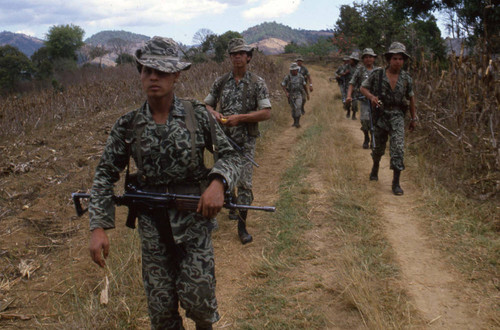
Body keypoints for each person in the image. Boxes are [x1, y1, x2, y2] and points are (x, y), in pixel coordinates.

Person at [88, 36, 242, 329]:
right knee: (161, 310)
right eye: (147, 70)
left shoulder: (197, 115)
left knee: (200, 301)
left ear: (176, 75)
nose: (153, 77)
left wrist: (218, 183)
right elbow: (105, 175)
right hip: (152, 229)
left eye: (161, 71)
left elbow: (232, 157)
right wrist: (98, 227)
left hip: (195, 222)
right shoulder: (128, 125)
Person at [204, 38, 272, 244]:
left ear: (248, 57)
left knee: (244, 184)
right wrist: (215, 114)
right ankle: (215, 216)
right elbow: (205, 105)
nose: (237, 57)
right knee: (220, 179)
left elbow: (266, 112)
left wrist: (239, 118)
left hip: (245, 142)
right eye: (233, 54)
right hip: (222, 141)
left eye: (241, 53)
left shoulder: (257, 83)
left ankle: (242, 226)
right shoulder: (221, 82)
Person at [360, 42, 417, 195]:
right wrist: (371, 97)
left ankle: (396, 182)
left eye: (400, 59)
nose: (398, 61)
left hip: (397, 116)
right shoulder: (378, 75)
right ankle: (375, 166)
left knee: (398, 148)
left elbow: (411, 98)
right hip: (381, 115)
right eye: (395, 58)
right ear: (389, 59)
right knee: (378, 148)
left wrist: (413, 118)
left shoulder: (406, 78)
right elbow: (363, 88)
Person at [346, 48, 380, 149]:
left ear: (374, 58)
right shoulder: (360, 70)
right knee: (365, 121)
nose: (368, 59)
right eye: (366, 57)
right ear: (363, 59)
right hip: (364, 100)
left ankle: (375, 140)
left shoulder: (378, 71)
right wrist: (349, 96)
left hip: (376, 101)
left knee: (376, 122)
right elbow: (352, 83)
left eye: (370, 57)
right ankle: (366, 137)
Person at [281, 62, 308, 128]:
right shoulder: (288, 77)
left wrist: (307, 94)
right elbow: (283, 85)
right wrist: (286, 93)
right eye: (292, 70)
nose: (294, 71)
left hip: (299, 94)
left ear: (297, 70)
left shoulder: (301, 77)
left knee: (298, 107)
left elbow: (304, 85)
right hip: (291, 95)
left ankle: (297, 122)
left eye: (295, 70)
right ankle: (294, 121)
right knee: (293, 109)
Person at [339, 52, 360, 119]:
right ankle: (348, 112)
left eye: (351, 59)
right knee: (347, 101)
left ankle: (354, 114)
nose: (349, 60)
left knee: (355, 102)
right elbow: (340, 73)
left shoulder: (359, 68)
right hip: (347, 87)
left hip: (356, 87)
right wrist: (345, 73)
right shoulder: (346, 66)